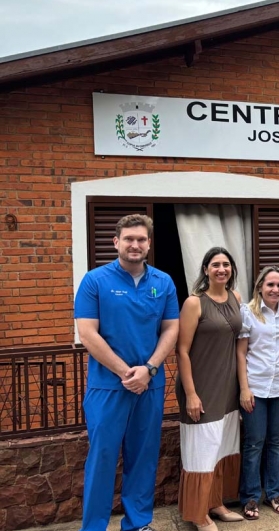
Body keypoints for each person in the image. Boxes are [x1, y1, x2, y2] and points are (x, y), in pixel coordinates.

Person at [74, 214, 179, 531]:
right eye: (129, 239)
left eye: (141, 239)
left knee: (144, 458)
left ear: (149, 244)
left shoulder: (163, 282)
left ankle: (138, 523)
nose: (135, 244)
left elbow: (171, 328)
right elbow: (87, 333)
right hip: (107, 387)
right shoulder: (95, 281)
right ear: (116, 242)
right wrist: (126, 373)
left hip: (150, 385)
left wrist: (149, 369)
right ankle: (94, 527)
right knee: (102, 458)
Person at [175, 248, 243, 529]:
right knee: (202, 449)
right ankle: (197, 512)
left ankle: (215, 503)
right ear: (205, 270)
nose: (221, 269)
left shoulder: (236, 297)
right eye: (215, 265)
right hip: (201, 385)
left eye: (226, 264)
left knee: (223, 446)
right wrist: (191, 394)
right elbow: (182, 350)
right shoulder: (194, 303)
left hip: (228, 385)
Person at [237, 266, 279, 517]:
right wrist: (244, 388)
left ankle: (274, 493)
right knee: (254, 443)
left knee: (275, 442)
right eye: (270, 285)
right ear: (260, 287)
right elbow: (241, 352)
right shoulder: (248, 313)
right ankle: (250, 497)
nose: (275, 289)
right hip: (255, 387)